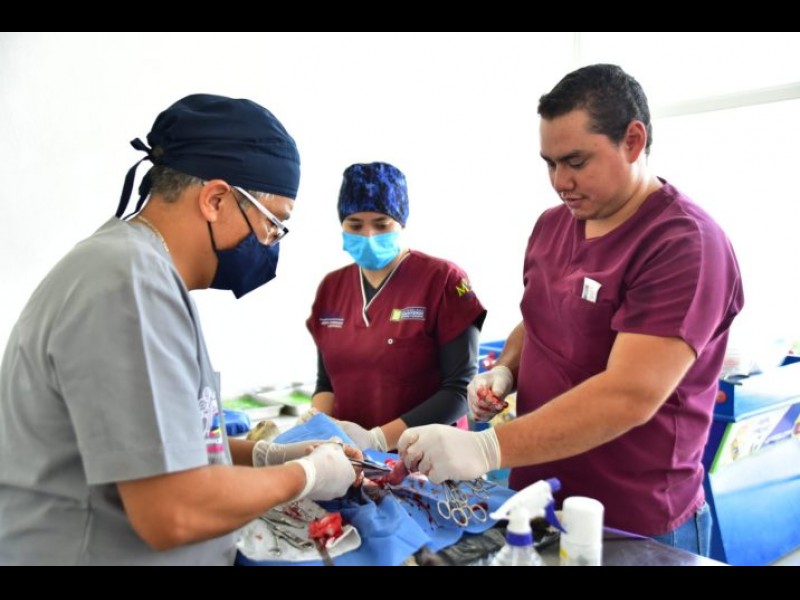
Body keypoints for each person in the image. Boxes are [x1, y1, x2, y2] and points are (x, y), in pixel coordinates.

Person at [398, 64, 744, 556]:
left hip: (631, 523)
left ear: (633, 141)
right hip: (534, 503)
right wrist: (505, 372)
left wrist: (485, 448)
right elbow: (541, 315)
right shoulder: (552, 226)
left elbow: (629, 394)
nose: (561, 181)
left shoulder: (683, 244)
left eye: (576, 161)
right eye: (550, 163)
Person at [0, 94, 358, 565]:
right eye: (274, 224)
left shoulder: (137, 269)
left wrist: (267, 456)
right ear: (215, 200)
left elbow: (165, 443)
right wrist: (307, 476)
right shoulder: (128, 282)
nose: (271, 243)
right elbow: (173, 508)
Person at [305, 162, 487, 452]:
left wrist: (377, 439)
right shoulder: (331, 288)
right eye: (355, 225)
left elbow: (459, 390)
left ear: (400, 222)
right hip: (354, 460)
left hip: (429, 458)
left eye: (381, 225)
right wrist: (317, 426)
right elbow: (326, 383)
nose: (368, 235)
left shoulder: (443, 280)